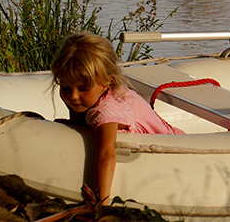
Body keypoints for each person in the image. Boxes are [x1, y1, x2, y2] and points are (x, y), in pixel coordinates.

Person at [51, 32, 183, 207]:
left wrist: (101, 205)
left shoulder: (107, 111)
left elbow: (106, 155)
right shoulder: (87, 96)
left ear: (106, 82)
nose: (73, 96)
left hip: (175, 151)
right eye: (65, 86)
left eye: (82, 88)